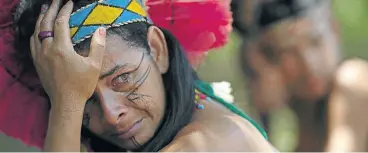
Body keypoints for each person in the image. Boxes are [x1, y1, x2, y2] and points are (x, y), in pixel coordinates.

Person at [0, 0, 276, 151]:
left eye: (122, 78)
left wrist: (67, 104)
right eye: (87, 100)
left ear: (157, 50)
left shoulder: (199, 146)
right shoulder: (196, 103)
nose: (110, 114)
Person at [236, 0, 345, 151]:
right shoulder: (303, 110)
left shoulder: (351, 81)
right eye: (289, 52)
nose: (309, 65)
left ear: (334, 30)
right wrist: (261, 106)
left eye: (315, 42)